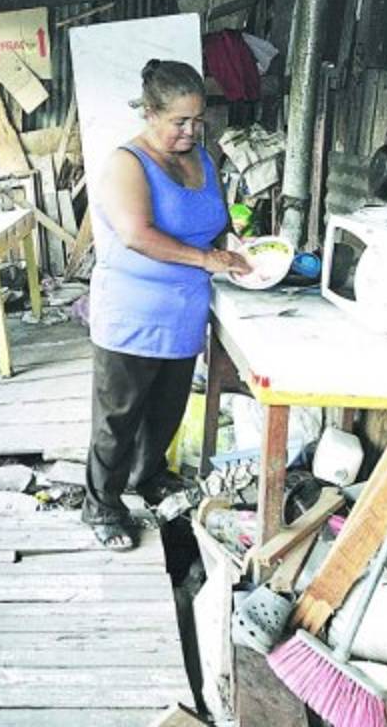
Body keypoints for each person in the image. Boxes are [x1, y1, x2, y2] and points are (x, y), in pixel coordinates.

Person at [83, 59, 249, 551]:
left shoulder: (203, 160)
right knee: (118, 417)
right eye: (180, 121)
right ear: (150, 113)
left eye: (198, 120)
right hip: (131, 314)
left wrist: (235, 245)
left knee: (165, 411)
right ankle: (102, 505)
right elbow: (137, 235)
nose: (191, 131)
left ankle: (148, 476)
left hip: (183, 313)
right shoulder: (126, 164)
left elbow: (213, 220)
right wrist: (207, 258)